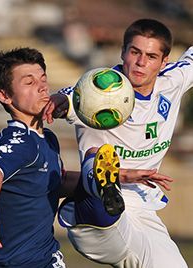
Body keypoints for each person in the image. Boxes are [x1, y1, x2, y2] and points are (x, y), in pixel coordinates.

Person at [43, 18, 193, 267]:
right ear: (123, 51)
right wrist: (59, 101)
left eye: (151, 56)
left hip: (144, 212)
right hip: (97, 217)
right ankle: (104, 181)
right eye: (135, 52)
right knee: (100, 168)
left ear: (164, 61)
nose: (141, 62)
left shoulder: (173, 80)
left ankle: (106, 181)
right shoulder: (98, 88)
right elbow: (71, 97)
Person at [0, 47, 80, 268]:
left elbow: (55, 183)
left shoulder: (47, 139)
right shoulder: (18, 140)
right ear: (4, 96)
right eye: (29, 82)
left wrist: (113, 178)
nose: (43, 87)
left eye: (43, 78)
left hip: (42, 260)